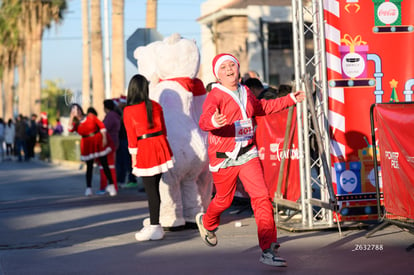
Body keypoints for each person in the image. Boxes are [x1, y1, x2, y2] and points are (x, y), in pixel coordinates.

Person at [196, 53, 305, 267]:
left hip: (248, 153)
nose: (229, 69)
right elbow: (203, 120)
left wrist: (291, 99)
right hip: (224, 158)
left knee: (262, 197)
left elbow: (262, 108)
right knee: (223, 201)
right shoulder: (215, 95)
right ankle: (206, 222)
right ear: (217, 74)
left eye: (232, 65)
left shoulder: (245, 91)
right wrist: (213, 120)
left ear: (238, 69)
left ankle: (268, 249)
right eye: (223, 67)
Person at [123, 74, 174, 241]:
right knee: (155, 188)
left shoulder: (128, 110)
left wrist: (134, 158)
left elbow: (132, 137)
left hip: (146, 149)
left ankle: (154, 227)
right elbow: (164, 130)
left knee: (151, 190)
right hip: (160, 145)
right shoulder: (156, 106)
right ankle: (155, 224)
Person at [68, 103, 117, 197]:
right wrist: (71, 117)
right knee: (89, 167)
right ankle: (88, 188)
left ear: (81, 109)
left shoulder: (90, 116)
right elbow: (70, 130)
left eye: (77, 109)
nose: (77, 111)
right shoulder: (76, 123)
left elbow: (102, 126)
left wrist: (104, 138)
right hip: (87, 144)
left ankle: (111, 185)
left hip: (97, 141)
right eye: (74, 110)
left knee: (104, 164)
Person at [96, 99, 121, 194]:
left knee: (107, 166)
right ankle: (112, 186)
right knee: (110, 166)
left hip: (109, 144)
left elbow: (104, 128)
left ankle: (109, 186)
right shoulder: (115, 115)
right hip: (113, 142)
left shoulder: (110, 116)